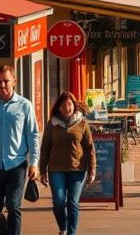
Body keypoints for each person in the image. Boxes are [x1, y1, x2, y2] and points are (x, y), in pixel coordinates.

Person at [0, 65, 40, 235]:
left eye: (6, 81)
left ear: (14, 81)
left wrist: (34, 162)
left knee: (13, 206)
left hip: (17, 165)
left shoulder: (24, 105)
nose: (2, 85)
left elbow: (33, 135)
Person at [39, 91, 95, 235]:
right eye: (63, 105)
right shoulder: (52, 124)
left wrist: (92, 169)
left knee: (72, 203)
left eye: (69, 104)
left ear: (74, 106)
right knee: (58, 201)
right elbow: (45, 147)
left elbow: (90, 148)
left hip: (77, 169)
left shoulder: (82, 123)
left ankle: (71, 233)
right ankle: (62, 228)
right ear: (58, 107)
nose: (67, 108)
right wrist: (42, 170)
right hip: (56, 169)